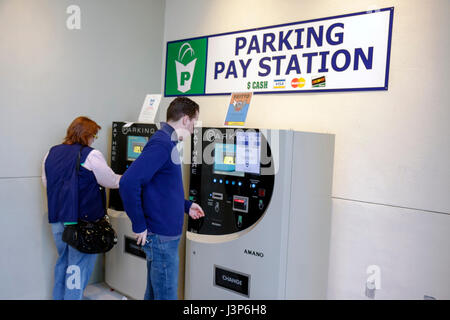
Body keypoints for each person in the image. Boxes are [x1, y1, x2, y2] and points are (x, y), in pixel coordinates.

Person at [119, 96, 205, 300]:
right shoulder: (162, 144)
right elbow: (128, 182)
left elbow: (159, 188)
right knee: (165, 296)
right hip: (161, 238)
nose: (193, 129)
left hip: (163, 236)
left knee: (153, 294)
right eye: (194, 123)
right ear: (185, 119)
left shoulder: (166, 142)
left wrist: (186, 206)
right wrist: (138, 224)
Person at [42, 116, 121, 300]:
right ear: (86, 135)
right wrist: (129, 178)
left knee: (63, 261)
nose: (94, 139)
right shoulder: (91, 155)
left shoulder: (50, 153)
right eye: (93, 135)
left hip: (57, 219)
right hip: (82, 223)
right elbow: (109, 180)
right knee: (76, 268)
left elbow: (47, 183)